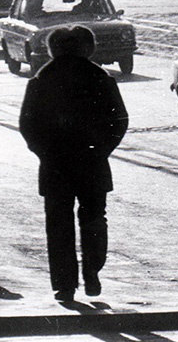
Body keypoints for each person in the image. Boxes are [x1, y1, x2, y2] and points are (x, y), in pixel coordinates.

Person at [19, 25, 128, 302]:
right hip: (92, 163)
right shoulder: (100, 78)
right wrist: (102, 149)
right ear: (87, 47)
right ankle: (92, 271)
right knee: (94, 218)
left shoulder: (41, 80)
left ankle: (64, 285)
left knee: (58, 224)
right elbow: (119, 120)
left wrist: (45, 152)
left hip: (55, 165)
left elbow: (27, 125)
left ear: (52, 49)